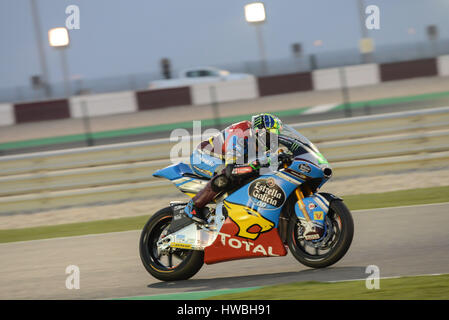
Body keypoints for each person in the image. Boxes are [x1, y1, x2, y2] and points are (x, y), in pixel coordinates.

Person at [184, 113, 283, 224]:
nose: (275, 140)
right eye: (272, 135)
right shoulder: (240, 133)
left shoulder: (257, 142)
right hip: (203, 156)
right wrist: (255, 166)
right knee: (226, 177)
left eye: (277, 136)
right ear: (260, 132)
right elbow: (231, 169)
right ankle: (193, 205)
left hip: (226, 159)